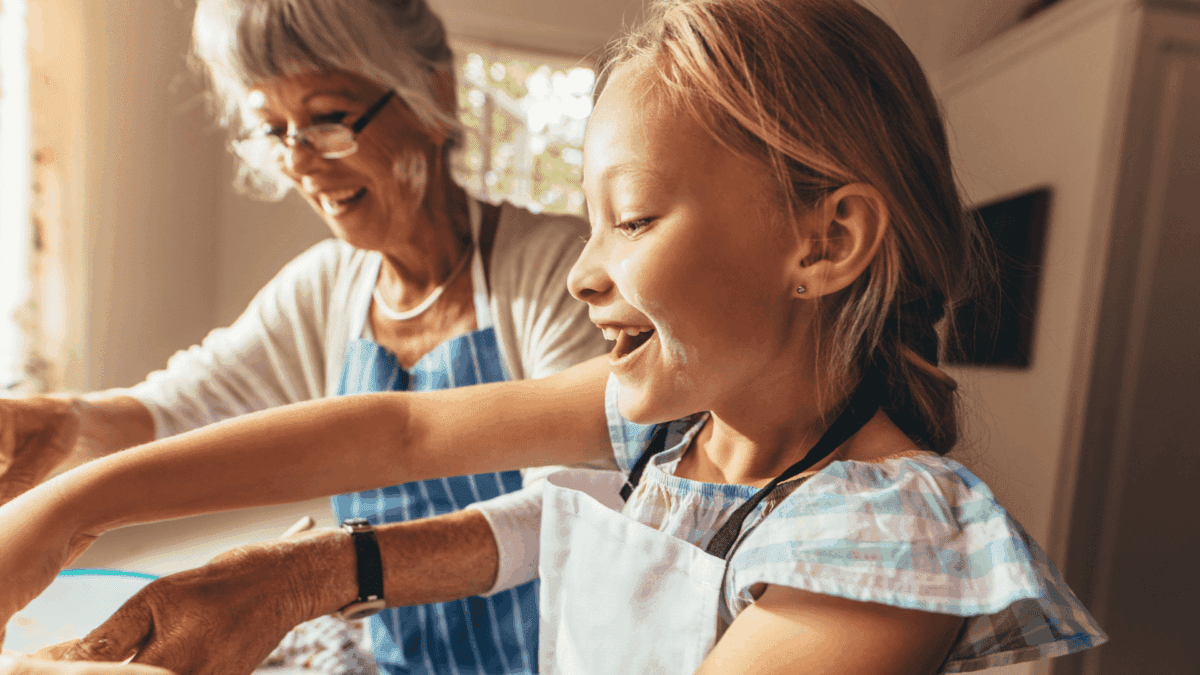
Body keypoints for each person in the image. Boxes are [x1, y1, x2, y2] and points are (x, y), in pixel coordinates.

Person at [0, 0, 1109, 673]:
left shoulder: (888, 541)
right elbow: (399, 433)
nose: (585, 271)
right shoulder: (675, 421)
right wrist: (71, 503)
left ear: (827, 243)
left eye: (629, 219)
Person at [0, 0, 610, 673]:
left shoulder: (558, 271)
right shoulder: (326, 287)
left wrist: (306, 574)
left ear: (432, 92)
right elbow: (186, 405)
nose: (301, 160)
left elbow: (573, 511)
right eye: (273, 129)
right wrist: (67, 422)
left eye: (327, 118)